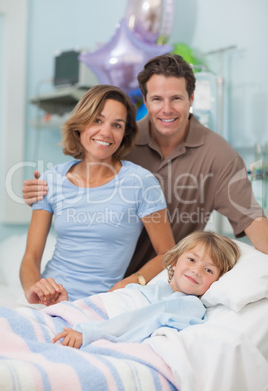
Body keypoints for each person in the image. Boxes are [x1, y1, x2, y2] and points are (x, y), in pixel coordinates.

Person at [22, 54, 268, 279]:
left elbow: (253, 221)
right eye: (157, 99)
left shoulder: (219, 156)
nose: (167, 109)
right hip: (106, 281)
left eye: (177, 99)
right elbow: (81, 181)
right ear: (146, 100)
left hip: (166, 279)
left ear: (191, 99)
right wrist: (42, 191)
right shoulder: (119, 139)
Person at [20, 85, 175, 306]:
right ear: (80, 124)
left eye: (117, 125)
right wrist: (34, 291)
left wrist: (133, 282)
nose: (106, 132)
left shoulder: (141, 182)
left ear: (124, 134)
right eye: (97, 120)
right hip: (48, 300)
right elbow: (31, 257)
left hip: (102, 304)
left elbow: (167, 253)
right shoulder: (51, 179)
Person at [51, 231, 240, 349]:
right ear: (174, 262)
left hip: (92, 330)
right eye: (191, 259)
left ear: (216, 281)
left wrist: (90, 332)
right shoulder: (154, 288)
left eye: (208, 270)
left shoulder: (189, 305)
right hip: (84, 318)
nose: (196, 270)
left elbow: (138, 321)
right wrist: (67, 307)